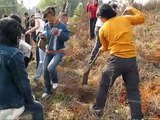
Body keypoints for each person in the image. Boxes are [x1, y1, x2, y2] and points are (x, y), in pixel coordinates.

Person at [89, 4, 145, 120]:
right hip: (131, 61)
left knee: (104, 85)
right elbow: (141, 18)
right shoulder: (125, 19)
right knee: (133, 89)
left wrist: (101, 48)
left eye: (100, 17)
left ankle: (98, 110)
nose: (100, 19)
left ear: (103, 17)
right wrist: (131, 8)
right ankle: (137, 117)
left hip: (116, 61)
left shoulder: (103, 29)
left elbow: (105, 47)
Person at [0, 18, 43, 120]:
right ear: (15, 36)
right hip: (8, 103)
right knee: (37, 108)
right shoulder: (14, 53)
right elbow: (22, 83)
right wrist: (30, 99)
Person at [40, 7, 70, 97]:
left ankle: (55, 80)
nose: (48, 19)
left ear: (54, 15)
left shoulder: (61, 25)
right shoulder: (46, 25)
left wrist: (58, 33)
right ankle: (47, 90)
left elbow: (67, 37)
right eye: (47, 17)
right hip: (48, 51)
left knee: (50, 67)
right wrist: (43, 37)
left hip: (58, 51)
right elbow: (47, 39)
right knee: (45, 71)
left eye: (50, 17)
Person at [26, 12, 45, 84]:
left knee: (39, 58)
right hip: (44, 39)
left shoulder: (37, 20)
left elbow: (37, 26)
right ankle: (40, 75)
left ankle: (37, 76)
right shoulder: (43, 21)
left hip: (40, 38)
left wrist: (29, 31)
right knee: (42, 58)